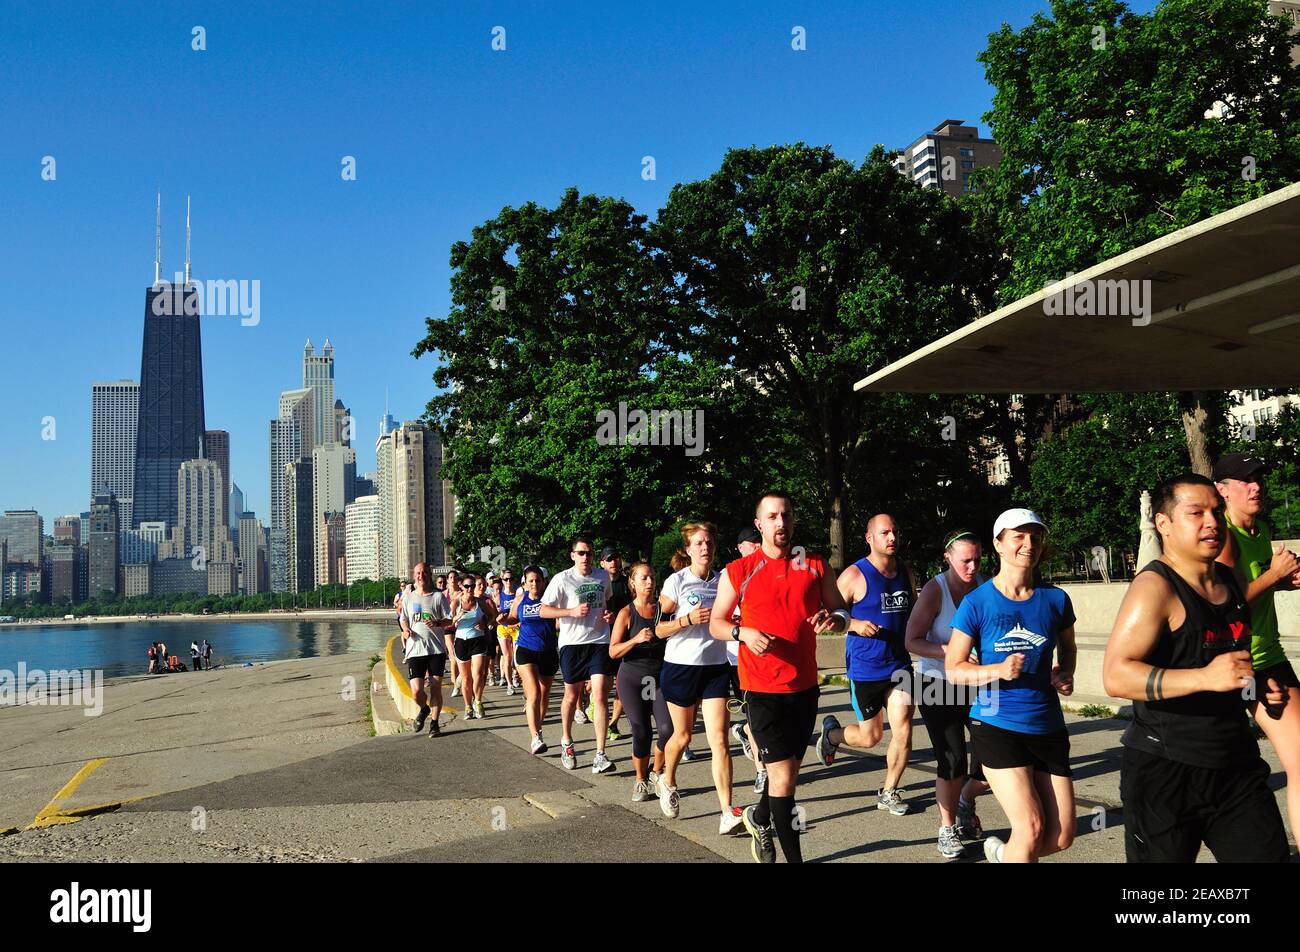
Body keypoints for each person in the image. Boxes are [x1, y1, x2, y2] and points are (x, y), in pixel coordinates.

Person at [1104, 474, 1290, 862]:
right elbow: (1116, 675)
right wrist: (1206, 677)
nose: (1212, 522)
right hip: (1165, 772)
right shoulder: (1155, 587)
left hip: (1236, 766)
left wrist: (1256, 685)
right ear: (1164, 524)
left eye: (1217, 512)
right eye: (1196, 513)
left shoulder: (1229, 579)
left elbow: (1223, 665)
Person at [709, 492, 850, 863]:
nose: (780, 523)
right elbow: (717, 624)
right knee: (785, 781)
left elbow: (841, 610)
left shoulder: (816, 564)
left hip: (804, 687)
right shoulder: (739, 570)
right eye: (772, 516)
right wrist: (744, 633)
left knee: (783, 774)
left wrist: (835, 620)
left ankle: (758, 817)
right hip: (761, 689)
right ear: (760, 524)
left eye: (786, 515)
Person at [946, 508, 1077, 864]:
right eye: (1018, 536)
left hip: (1047, 725)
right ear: (998, 544)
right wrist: (997, 669)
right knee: (1031, 827)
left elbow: (1069, 649)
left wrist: (1065, 673)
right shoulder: (977, 602)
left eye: (1035, 536)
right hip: (996, 724)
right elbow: (954, 669)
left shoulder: (1056, 600)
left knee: (1063, 835)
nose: (1028, 544)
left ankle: (1004, 855)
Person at [1213, 452, 1300, 839]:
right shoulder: (1223, 535)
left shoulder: (1259, 529)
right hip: (1237, 663)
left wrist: (1283, 580)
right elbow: (1223, 604)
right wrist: (1273, 575)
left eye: (1258, 478)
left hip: (1270, 654)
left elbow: (1255, 588)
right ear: (1222, 490)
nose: (1256, 486)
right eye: (1245, 480)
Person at [817, 514, 917, 817]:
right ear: (869, 538)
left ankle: (889, 791)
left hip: (899, 665)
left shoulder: (906, 574)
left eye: (895, 531)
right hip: (865, 668)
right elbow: (827, 617)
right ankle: (832, 735)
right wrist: (855, 623)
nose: (892, 537)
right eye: (885, 532)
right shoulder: (854, 575)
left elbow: (913, 615)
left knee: (903, 728)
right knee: (870, 737)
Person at [903, 530, 991, 858]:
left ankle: (966, 801)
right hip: (935, 684)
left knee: (996, 755)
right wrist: (951, 651)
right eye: (964, 560)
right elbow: (911, 641)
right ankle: (947, 828)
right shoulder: (934, 590)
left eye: (977, 560)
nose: (971, 566)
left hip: (976, 683)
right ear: (948, 558)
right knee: (953, 758)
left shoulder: (985, 586)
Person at [655, 522, 743, 834]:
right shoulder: (676, 582)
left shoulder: (724, 581)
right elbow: (659, 629)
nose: (705, 547)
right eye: (699, 543)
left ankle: (726, 812)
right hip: (681, 666)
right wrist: (686, 620)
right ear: (689, 549)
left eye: (708, 542)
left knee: (719, 738)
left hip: (715, 666)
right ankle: (667, 780)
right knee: (683, 736)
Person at [539, 534, 617, 774]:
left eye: (589, 553)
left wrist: (609, 615)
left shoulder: (603, 576)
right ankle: (567, 741)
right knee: (572, 696)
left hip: (599, 641)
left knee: (601, 695)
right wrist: (570, 612)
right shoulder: (562, 579)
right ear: (573, 555)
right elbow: (543, 610)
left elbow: (608, 603)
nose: (586, 557)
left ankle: (600, 754)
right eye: (581, 553)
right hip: (572, 644)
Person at [610, 561, 672, 801]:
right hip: (632, 678)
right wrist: (635, 639)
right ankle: (640, 781)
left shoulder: (662, 611)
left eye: (652, 577)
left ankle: (656, 771)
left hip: (659, 678)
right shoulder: (626, 613)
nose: (649, 582)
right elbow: (613, 651)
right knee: (642, 731)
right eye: (644, 578)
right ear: (633, 583)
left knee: (668, 728)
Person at [505, 566, 558, 754]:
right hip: (526, 649)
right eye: (531, 581)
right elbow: (511, 618)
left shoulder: (551, 599)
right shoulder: (520, 600)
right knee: (533, 693)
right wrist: (503, 620)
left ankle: (538, 728)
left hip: (549, 651)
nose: (534, 584)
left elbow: (560, 620)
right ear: (525, 584)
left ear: (544, 582)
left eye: (538, 580)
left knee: (544, 695)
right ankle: (535, 737)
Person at [728, 526, 765, 794]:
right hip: (730, 658)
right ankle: (762, 771)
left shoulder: (768, 571)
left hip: (759, 658)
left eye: (758, 542)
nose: (756, 546)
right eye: (751, 544)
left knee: (756, 718)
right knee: (753, 717)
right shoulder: (731, 574)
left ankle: (743, 731)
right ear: (741, 547)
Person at [401, 562, 452, 736]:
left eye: (424, 573)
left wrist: (437, 622)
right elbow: (403, 618)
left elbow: (450, 620)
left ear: (429, 575)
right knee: (416, 691)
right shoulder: (408, 598)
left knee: (436, 688)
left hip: (436, 650)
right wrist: (406, 629)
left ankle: (435, 724)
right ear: (414, 576)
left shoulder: (438, 597)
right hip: (415, 650)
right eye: (418, 573)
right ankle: (424, 709)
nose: (421, 576)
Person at [451, 573, 498, 720]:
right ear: (462, 587)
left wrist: (486, 624)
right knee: (466, 678)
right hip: (461, 641)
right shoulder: (456, 602)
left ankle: (478, 701)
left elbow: (493, 616)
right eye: (467, 586)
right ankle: (468, 706)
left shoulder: (481, 602)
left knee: (478, 673)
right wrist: (456, 618)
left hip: (478, 639)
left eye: (472, 586)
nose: (470, 588)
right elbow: (448, 621)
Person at [597, 546, 628, 741]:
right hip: (602, 640)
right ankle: (594, 700)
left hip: (624, 640)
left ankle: (613, 722)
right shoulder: (597, 582)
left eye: (616, 558)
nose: (614, 562)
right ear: (602, 563)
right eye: (609, 559)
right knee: (602, 686)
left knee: (622, 686)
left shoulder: (628, 584)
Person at [494, 571, 520, 696]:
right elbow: (494, 615)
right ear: (502, 580)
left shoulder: (518, 594)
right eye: (506, 579)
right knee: (507, 657)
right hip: (503, 628)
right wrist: (498, 614)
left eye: (511, 579)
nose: (508, 582)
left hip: (516, 627)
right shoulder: (498, 596)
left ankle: (516, 674)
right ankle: (509, 684)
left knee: (516, 656)